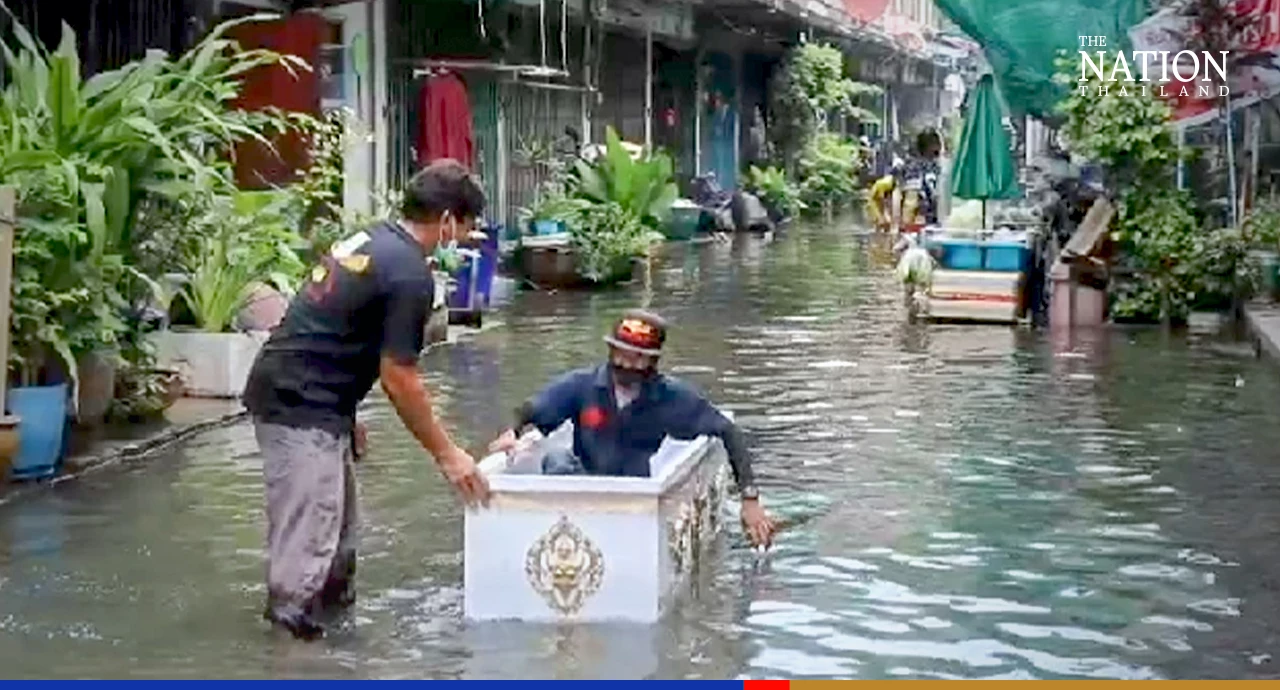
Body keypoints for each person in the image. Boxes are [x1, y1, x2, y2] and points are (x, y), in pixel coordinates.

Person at [243, 159, 492, 640]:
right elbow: (401, 379)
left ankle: (335, 652)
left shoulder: (373, 239)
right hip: (300, 407)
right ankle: (286, 660)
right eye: (465, 226)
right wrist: (448, 455)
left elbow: (332, 326)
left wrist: (346, 411)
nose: (463, 239)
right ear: (446, 220)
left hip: (308, 398)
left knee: (337, 545)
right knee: (305, 554)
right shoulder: (409, 275)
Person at [488, 310, 778, 548]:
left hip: (637, 497)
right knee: (556, 461)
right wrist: (512, 431)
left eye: (638, 357)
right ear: (611, 350)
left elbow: (728, 431)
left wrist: (749, 499)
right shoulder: (583, 385)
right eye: (621, 353)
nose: (626, 363)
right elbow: (532, 409)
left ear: (653, 361)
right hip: (584, 487)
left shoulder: (670, 397)